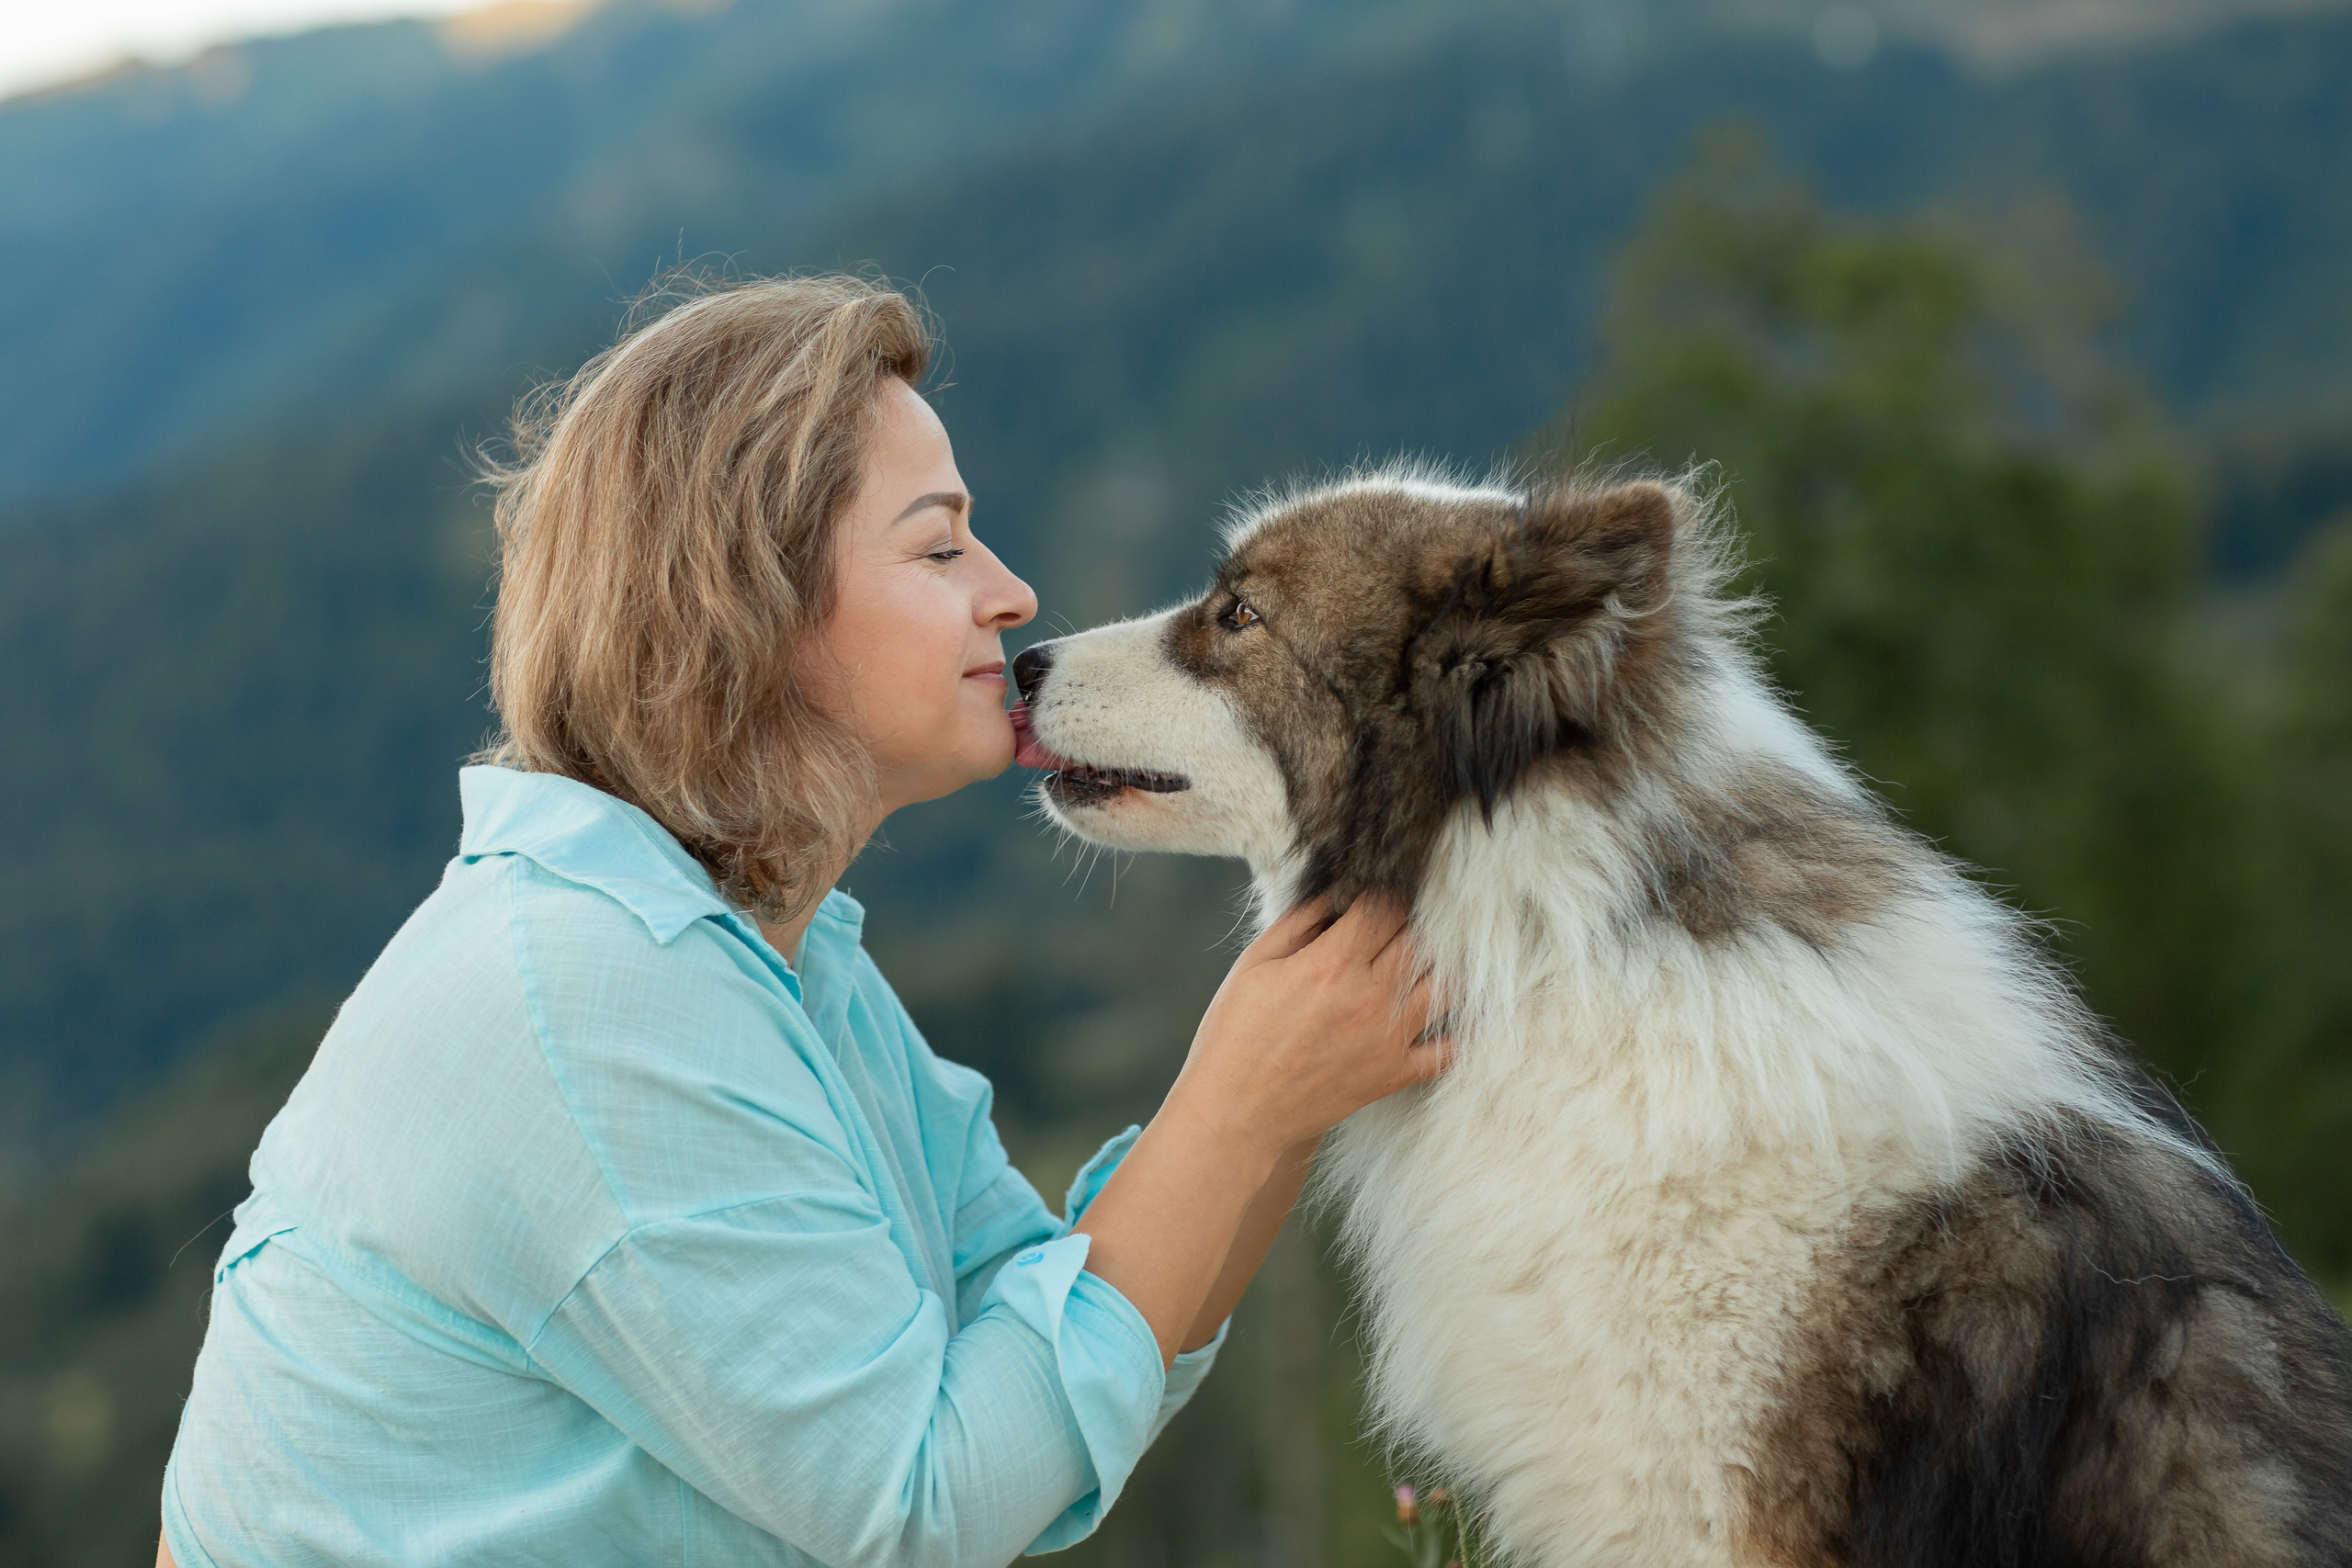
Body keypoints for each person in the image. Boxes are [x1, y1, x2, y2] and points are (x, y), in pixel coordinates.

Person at [157, 276, 1445, 1568]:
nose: (1010, 593)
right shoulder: (592, 998)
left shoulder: (766, 951)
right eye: (940, 548)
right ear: (749, 608)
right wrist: (1238, 1104)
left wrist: (1286, 1086)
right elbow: (932, 1504)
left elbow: (1054, 1344)